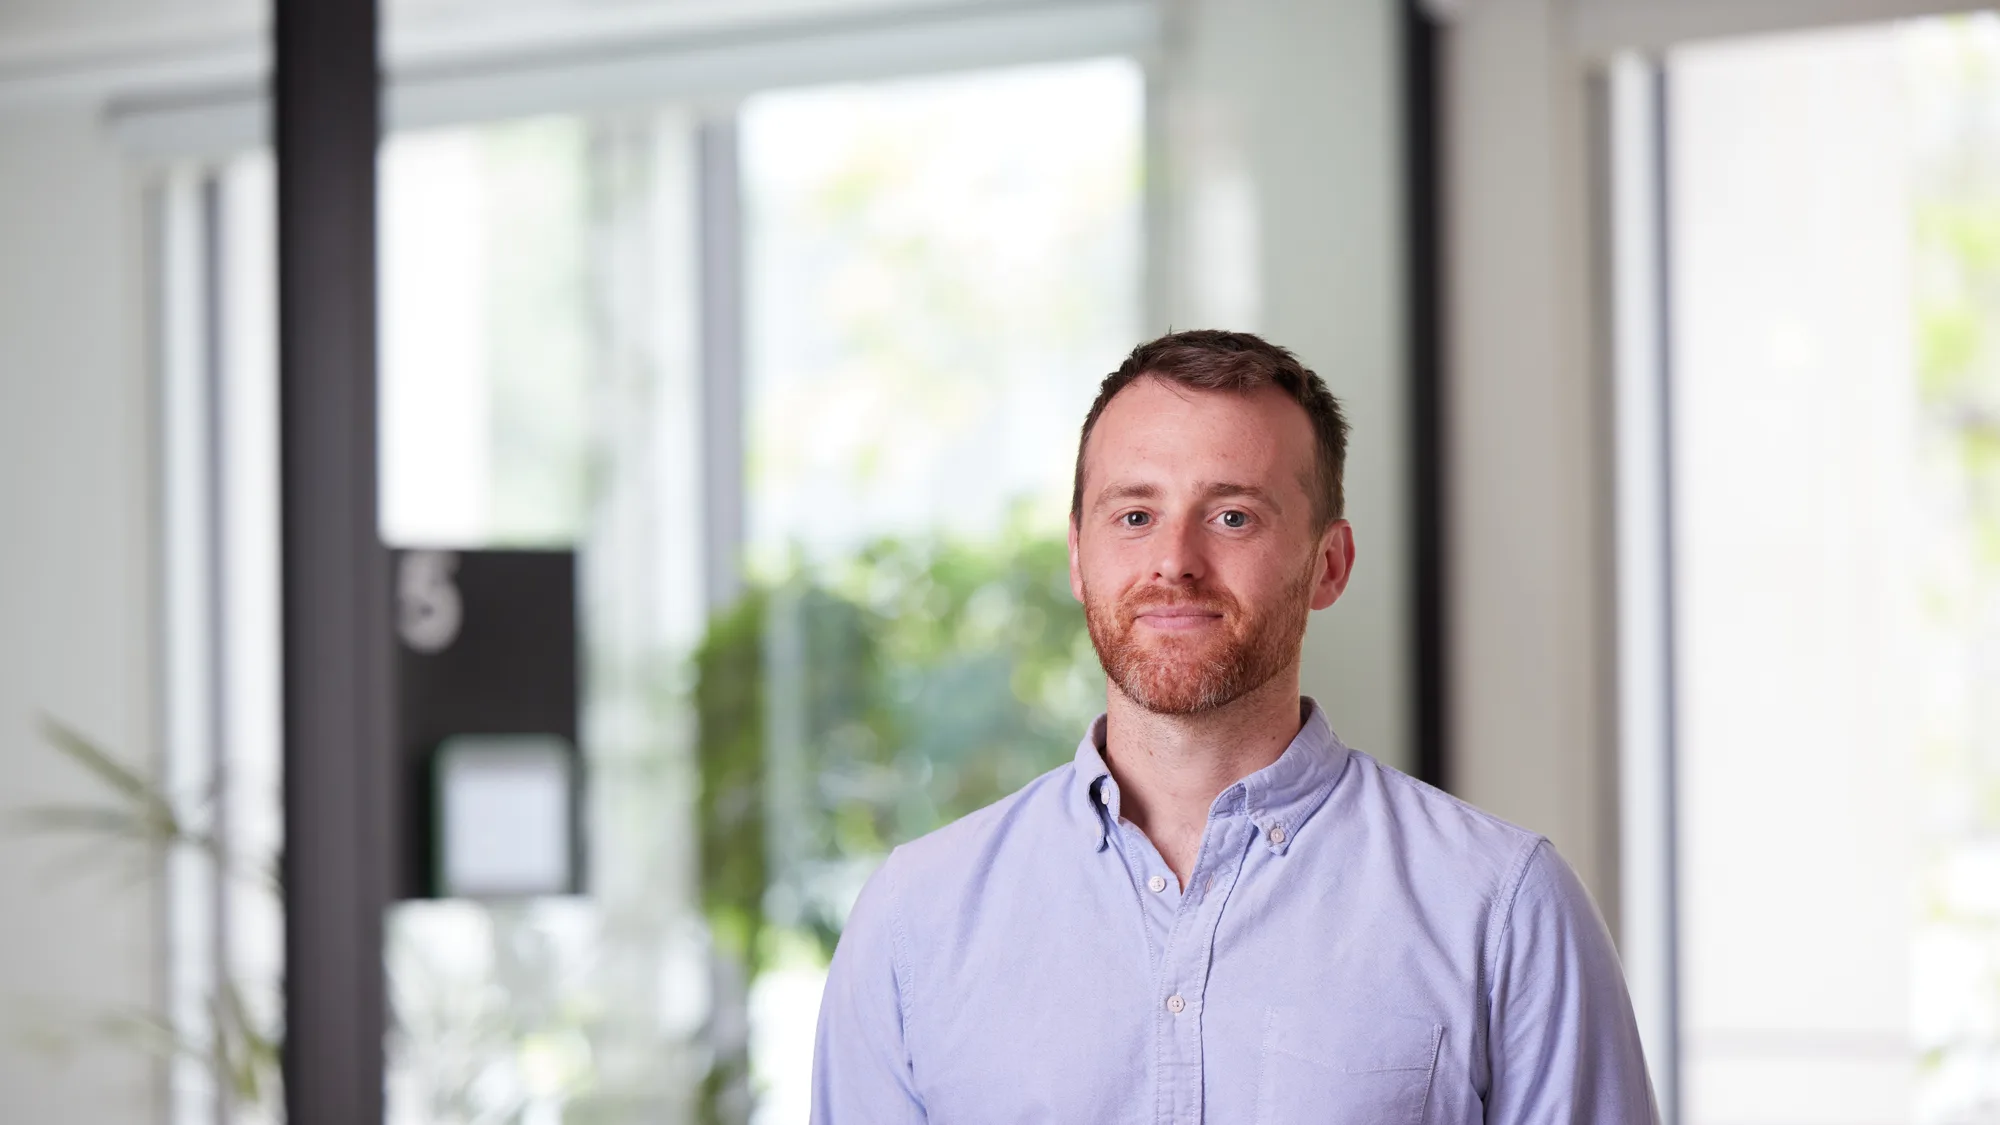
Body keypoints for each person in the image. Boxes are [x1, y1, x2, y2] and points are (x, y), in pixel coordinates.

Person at [810, 329, 1661, 1123]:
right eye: (1134, 515)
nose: (1174, 560)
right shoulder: (915, 919)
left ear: (1328, 564)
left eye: (1232, 516)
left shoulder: (1501, 907)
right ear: (1078, 555)